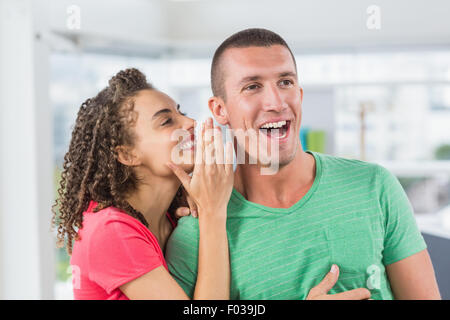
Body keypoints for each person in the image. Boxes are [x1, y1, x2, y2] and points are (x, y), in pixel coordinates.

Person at [165, 28, 441, 300]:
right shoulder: (198, 234)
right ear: (219, 110)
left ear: (300, 93)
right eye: (252, 87)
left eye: (285, 82)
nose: (276, 101)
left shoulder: (375, 186)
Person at [51, 68, 234, 300]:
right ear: (128, 155)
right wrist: (213, 213)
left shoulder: (171, 216)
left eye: (182, 112)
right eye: (167, 121)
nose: (190, 122)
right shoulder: (111, 232)